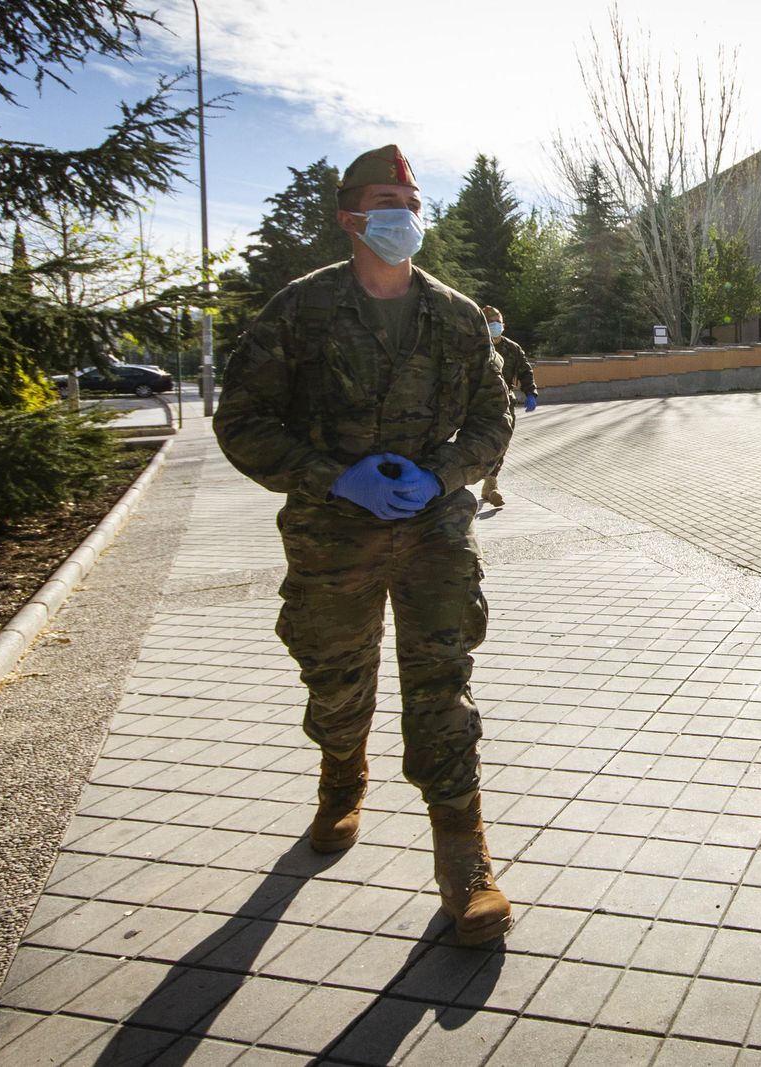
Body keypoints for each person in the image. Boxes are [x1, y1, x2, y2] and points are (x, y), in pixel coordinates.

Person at [213, 145, 515, 945]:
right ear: (350, 217)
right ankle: (342, 774)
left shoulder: (455, 314)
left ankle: (464, 856)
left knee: (441, 684)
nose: (404, 215)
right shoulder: (299, 311)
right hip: (332, 534)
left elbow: (494, 418)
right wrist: (331, 479)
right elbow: (239, 422)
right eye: (387, 200)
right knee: (335, 681)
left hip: (433, 535)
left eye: (413, 201)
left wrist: (446, 473)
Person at [478, 305, 537, 509]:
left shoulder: (512, 348)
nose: (495, 326)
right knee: (479, 441)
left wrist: (530, 392)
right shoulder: (475, 346)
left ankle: (491, 482)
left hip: (505, 403)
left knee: (502, 442)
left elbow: (525, 371)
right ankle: (471, 481)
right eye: (491, 322)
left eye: (498, 322)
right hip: (479, 403)